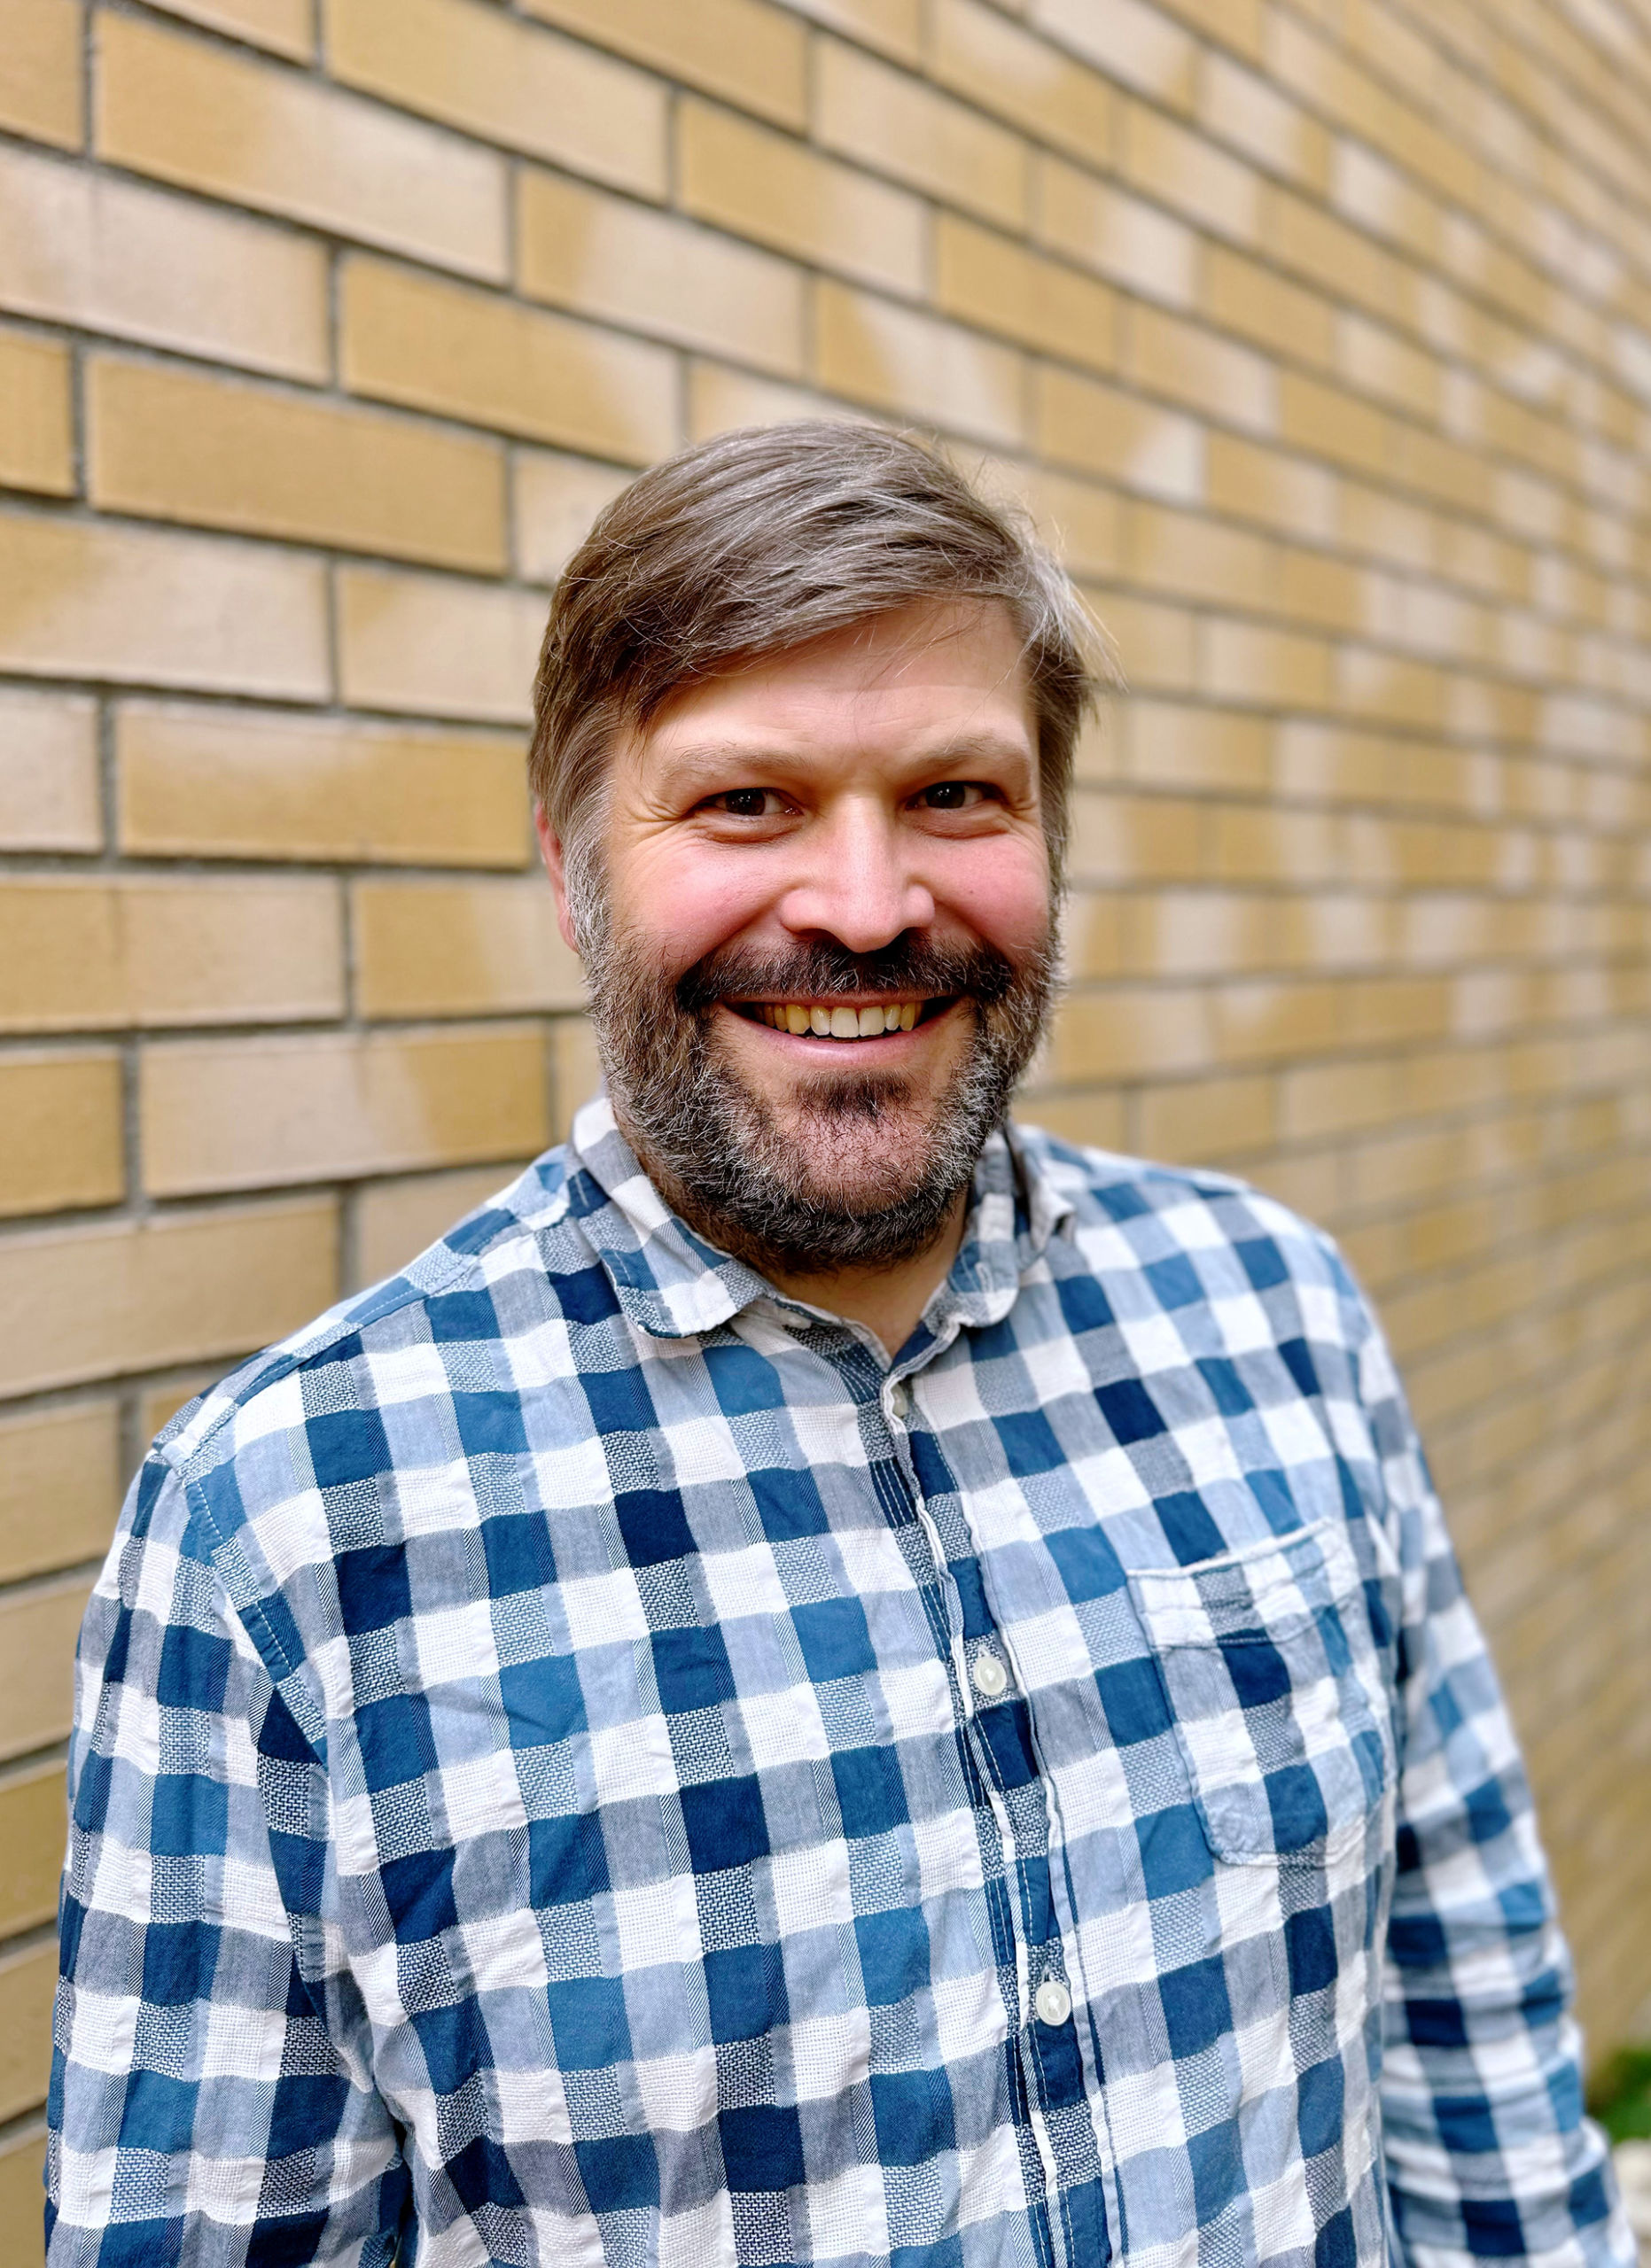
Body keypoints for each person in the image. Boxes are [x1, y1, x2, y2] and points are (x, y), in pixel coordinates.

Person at [48, 423, 1629, 2268]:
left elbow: (1474, 2051)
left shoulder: (1274, 1315)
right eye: (746, 802)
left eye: (955, 794)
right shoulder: (287, 1526)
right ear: (571, 869)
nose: (867, 907)